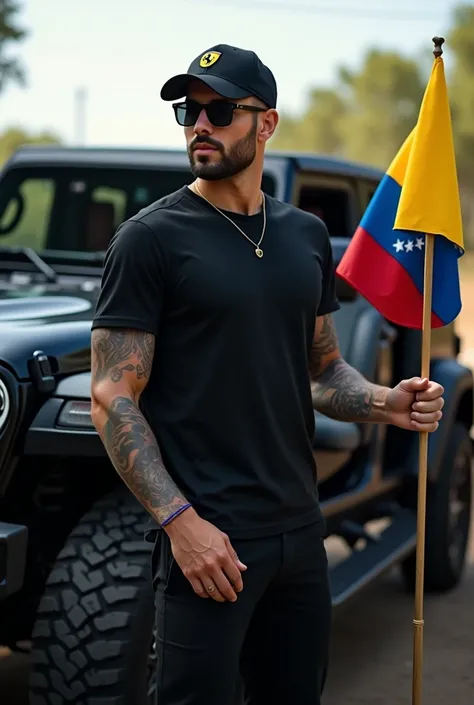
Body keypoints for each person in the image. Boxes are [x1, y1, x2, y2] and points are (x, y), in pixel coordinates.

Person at [90, 43, 445, 705]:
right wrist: (181, 523)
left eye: (219, 109)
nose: (200, 123)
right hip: (211, 544)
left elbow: (323, 370)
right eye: (188, 110)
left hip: (301, 532)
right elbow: (113, 397)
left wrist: (386, 402)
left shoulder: (305, 234)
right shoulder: (150, 238)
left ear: (266, 123)